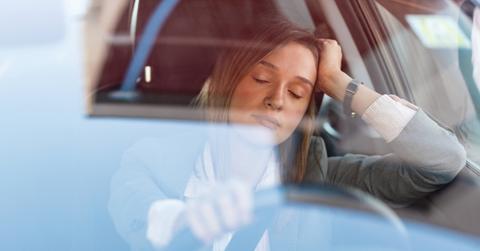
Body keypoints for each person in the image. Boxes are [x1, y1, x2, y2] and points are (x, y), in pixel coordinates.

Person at [108, 20, 466, 251]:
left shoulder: (319, 175)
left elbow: (442, 162)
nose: (277, 100)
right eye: (262, 79)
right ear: (225, 83)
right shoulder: (152, 159)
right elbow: (144, 215)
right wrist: (186, 220)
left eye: (297, 92)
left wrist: (339, 84)